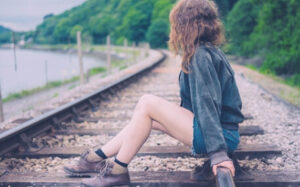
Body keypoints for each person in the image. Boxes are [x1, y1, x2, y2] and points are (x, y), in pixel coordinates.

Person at [64, 0, 245, 186]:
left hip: (221, 136)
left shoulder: (201, 56)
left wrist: (218, 154)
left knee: (147, 103)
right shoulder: (206, 51)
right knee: (147, 118)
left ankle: (117, 171)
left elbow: (208, 105)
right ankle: (95, 158)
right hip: (220, 132)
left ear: (184, 25)